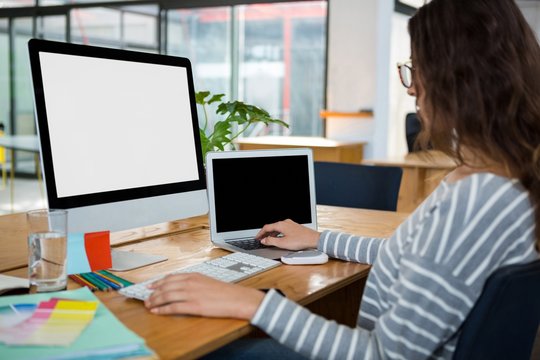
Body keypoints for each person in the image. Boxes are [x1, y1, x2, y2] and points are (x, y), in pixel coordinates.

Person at [144, 0, 540, 358]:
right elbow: (420, 263)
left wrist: (251, 304)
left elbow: (386, 355)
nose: (414, 87)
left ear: (457, 78)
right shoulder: (508, 179)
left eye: (417, 69)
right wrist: (319, 239)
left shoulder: (475, 199)